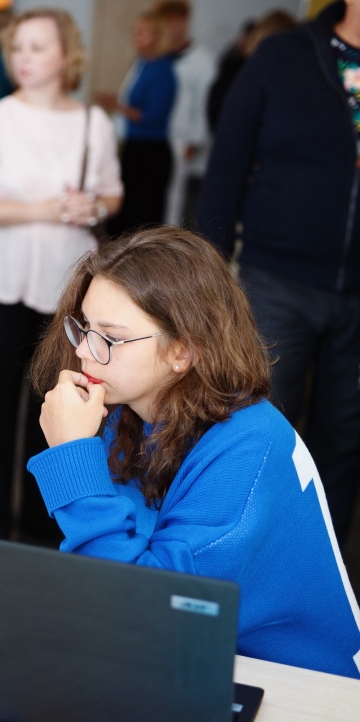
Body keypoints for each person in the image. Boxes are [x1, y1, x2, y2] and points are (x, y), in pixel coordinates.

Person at [26, 227, 360, 679]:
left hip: (294, 685)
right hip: (188, 659)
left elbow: (147, 612)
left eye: (110, 337)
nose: (84, 349)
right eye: (83, 327)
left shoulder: (250, 446)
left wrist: (72, 457)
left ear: (182, 351)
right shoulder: (121, 413)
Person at [0, 7, 122, 540]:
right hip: (1, 282)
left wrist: (90, 207)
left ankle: (43, 532)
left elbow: (111, 194)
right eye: (17, 48)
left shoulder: (94, 122)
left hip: (66, 289)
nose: (23, 58)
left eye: (36, 47)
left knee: (53, 412)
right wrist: (46, 210)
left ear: (66, 55)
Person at [198, 0, 360, 545]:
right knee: (258, 428)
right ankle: (242, 557)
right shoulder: (284, 54)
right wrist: (206, 272)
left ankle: (320, 566)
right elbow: (227, 163)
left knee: (345, 437)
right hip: (276, 280)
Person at [98, 10, 176, 236]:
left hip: (150, 153)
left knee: (142, 216)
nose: (136, 37)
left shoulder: (163, 70)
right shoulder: (143, 64)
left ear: (157, 36)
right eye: (136, 32)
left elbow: (151, 116)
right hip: (135, 147)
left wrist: (117, 105)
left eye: (142, 33)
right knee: (126, 216)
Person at [154, 0, 215, 228]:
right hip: (155, 137)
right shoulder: (156, 58)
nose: (172, 27)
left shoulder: (202, 61)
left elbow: (206, 105)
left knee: (174, 204)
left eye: (176, 21)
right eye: (166, 22)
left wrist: (195, 141)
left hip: (182, 141)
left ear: (186, 22)